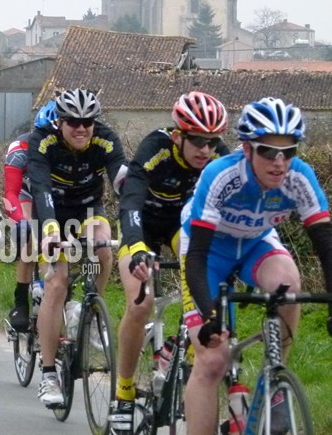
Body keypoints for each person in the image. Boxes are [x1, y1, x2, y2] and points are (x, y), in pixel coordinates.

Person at [180, 97, 332, 435]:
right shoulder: (220, 175)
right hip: (208, 251)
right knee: (213, 360)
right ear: (247, 149)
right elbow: (197, 258)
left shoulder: (299, 177)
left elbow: (325, 244)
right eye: (268, 151)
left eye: (288, 152)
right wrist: (209, 315)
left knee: (289, 286)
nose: (279, 163)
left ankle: (276, 380)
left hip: (254, 243)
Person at [109, 92, 230, 432]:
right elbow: (131, 199)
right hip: (143, 225)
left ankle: (186, 356)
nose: (205, 150)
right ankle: (124, 393)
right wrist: (136, 247)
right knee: (140, 303)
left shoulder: (219, 157)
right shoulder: (156, 148)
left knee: (206, 283)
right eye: (197, 141)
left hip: (183, 227)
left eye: (212, 141)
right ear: (178, 136)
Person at [27, 88, 125, 406]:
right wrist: (50, 231)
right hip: (51, 211)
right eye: (73, 122)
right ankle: (48, 374)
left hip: (87, 208)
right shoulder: (43, 140)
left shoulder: (105, 140)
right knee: (56, 283)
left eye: (88, 122)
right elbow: (40, 188)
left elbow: (122, 182)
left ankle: (90, 310)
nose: (81, 128)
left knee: (104, 247)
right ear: (60, 122)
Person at [4, 100, 58, 331]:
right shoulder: (19, 149)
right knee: (31, 235)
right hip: (26, 193)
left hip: (55, 195)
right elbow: (11, 193)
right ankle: (21, 302)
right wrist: (21, 221)